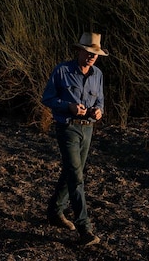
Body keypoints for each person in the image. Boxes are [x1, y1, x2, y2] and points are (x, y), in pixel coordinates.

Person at [41, 32, 108, 247]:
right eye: (88, 52)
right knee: (76, 177)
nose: (91, 57)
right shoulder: (62, 70)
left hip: (87, 130)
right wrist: (68, 107)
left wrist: (98, 112)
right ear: (79, 50)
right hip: (67, 128)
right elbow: (47, 98)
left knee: (71, 172)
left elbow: (100, 101)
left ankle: (54, 212)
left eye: (95, 54)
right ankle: (84, 229)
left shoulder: (98, 74)